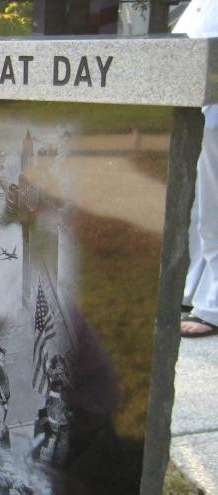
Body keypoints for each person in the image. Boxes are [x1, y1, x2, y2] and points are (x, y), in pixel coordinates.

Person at [175, 0, 218, 337]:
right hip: (194, 104)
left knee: (215, 206)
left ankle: (213, 304)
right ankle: (190, 289)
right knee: (194, 204)